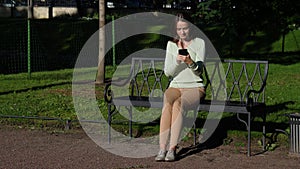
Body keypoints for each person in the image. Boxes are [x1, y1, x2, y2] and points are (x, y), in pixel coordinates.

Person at [155, 13, 206, 162]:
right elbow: (167, 72)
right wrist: (177, 61)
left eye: (185, 28)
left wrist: (190, 61)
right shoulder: (171, 45)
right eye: (179, 29)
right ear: (175, 29)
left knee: (178, 104)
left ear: (191, 28)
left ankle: (172, 149)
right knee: (167, 102)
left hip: (195, 87)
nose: (182, 32)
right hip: (175, 85)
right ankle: (162, 148)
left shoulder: (200, 43)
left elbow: (199, 71)